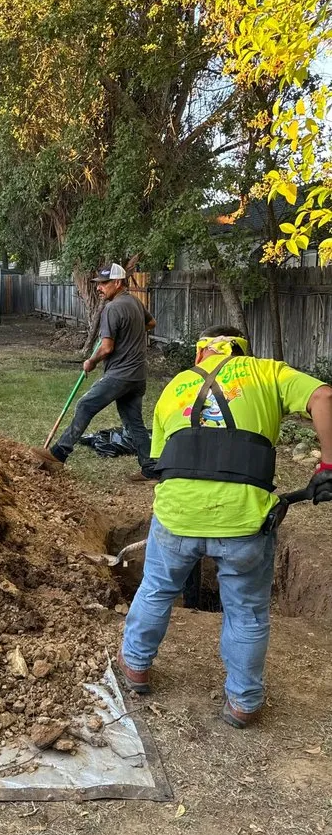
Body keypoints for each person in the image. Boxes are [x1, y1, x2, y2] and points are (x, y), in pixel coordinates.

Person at [118, 325, 332, 728]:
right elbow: (323, 396)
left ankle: (135, 666)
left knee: (157, 589)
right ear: (241, 351)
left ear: (201, 353)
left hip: (178, 516)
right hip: (243, 521)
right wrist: (328, 465)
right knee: (247, 611)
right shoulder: (267, 372)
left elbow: (159, 463)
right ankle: (243, 702)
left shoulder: (175, 386)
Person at [35, 262, 157, 479]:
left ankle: (59, 453)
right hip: (137, 376)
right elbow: (151, 323)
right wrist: (130, 332)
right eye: (98, 283)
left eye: (104, 283)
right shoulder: (134, 302)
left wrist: (91, 361)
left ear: (117, 283)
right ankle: (149, 468)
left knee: (85, 405)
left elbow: (107, 347)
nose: (99, 288)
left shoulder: (112, 308)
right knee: (134, 422)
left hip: (120, 374)